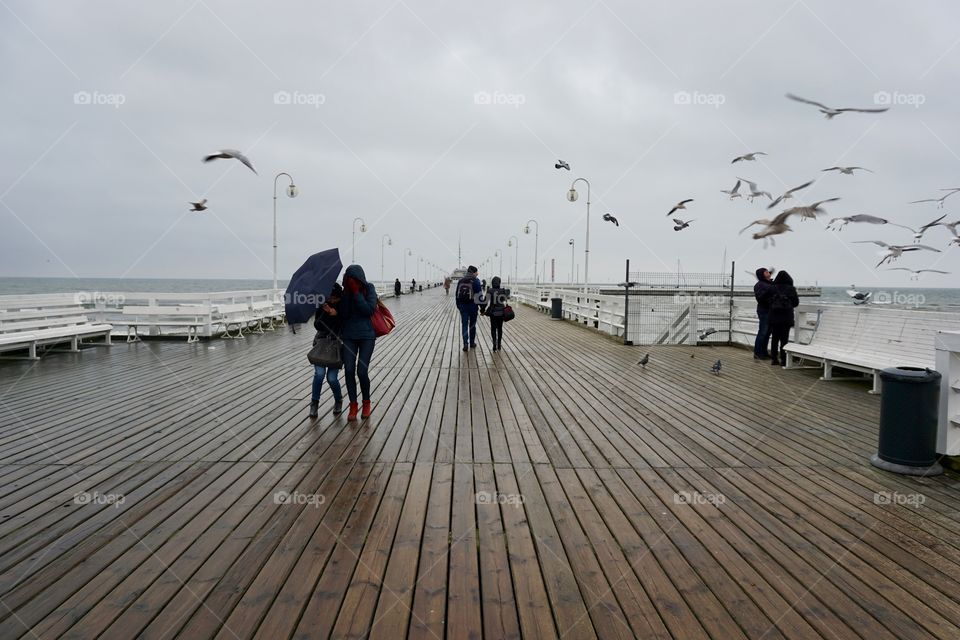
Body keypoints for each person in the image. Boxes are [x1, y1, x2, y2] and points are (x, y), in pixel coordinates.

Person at [340, 264, 378, 421]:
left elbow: (369, 310)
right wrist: (348, 294)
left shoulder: (369, 288)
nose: (352, 282)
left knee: (362, 371)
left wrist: (356, 293)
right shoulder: (346, 292)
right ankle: (353, 405)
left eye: (354, 279)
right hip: (349, 335)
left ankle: (366, 402)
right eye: (350, 280)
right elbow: (343, 314)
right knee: (349, 370)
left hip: (367, 336)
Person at [309, 283, 344, 418]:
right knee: (319, 374)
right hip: (322, 343)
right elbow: (317, 325)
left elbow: (345, 323)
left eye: (334, 298)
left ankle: (338, 400)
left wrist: (336, 314)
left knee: (331, 378)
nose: (332, 300)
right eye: (330, 297)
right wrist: (326, 312)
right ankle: (314, 403)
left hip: (336, 346)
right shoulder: (322, 304)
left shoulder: (343, 306)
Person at [768, 271, 800, 366]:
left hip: (774, 317)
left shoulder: (772, 288)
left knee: (775, 338)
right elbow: (796, 303)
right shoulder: (791, 289)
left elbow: (767, 301)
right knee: (784, 339)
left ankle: (774, 359)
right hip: (786, 317)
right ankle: (784, 359)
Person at [455, 265, 483, 351]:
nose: (477, 273)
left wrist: (459, 306)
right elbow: (479, 296)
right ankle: (472, 343)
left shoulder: (461, 281)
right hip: (473, 306)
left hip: (463, 306)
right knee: (472, 325)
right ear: (473, 272)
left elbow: (457, 295)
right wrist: (482, 308)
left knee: (464, 325)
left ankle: (465, 344)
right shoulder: (475, 281)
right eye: (476, 272)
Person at [483, 276, 510, 351]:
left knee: (493, 329)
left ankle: (494, 344)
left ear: (492, 282)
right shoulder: (502, 290)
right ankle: (499, 344)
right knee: (500, 328)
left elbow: (485, 302)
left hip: (493, 313)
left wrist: (482, 310)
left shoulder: (490, 291)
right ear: (499, 282)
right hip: (501, 313)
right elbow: (506, 298)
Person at [753, 267, 775, 360]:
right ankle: (758, 353)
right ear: (761, 274)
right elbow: (761, 298)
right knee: (763, 332)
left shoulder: (769, 283)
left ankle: (764, 352)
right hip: (764, 311)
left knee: (768, 333)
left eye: (768, 271)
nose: (768, 272)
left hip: (771, 311)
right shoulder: (760, 285)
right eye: (765, 272)